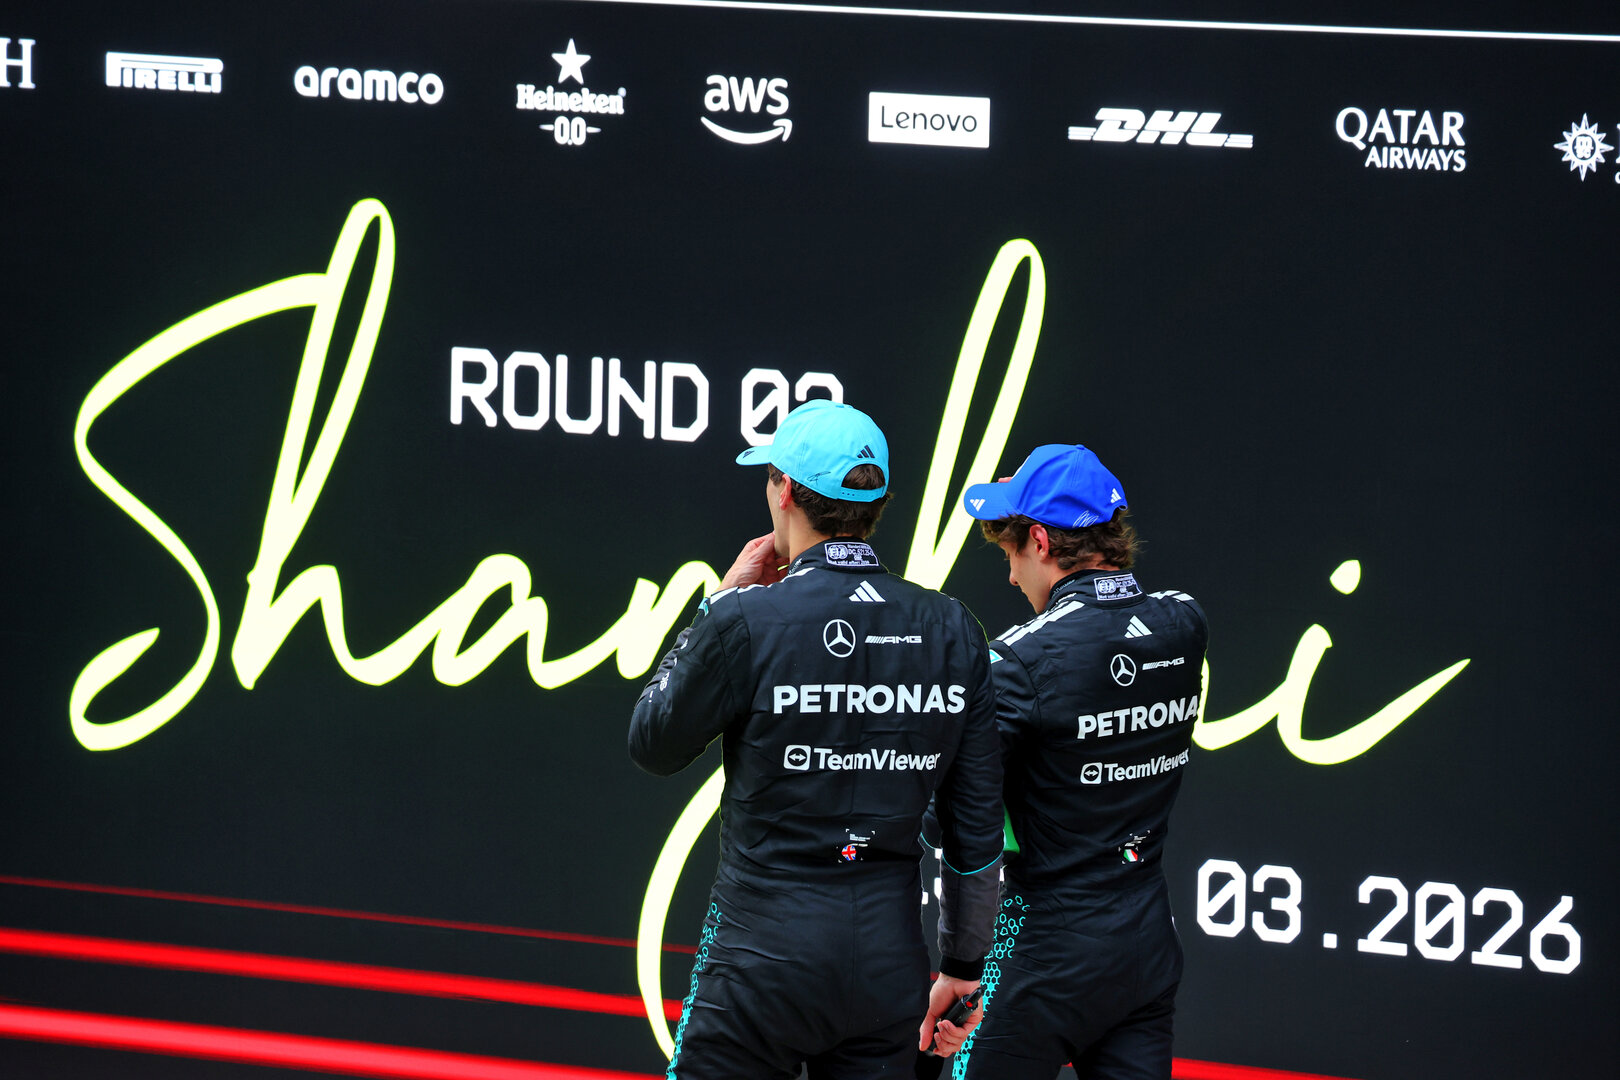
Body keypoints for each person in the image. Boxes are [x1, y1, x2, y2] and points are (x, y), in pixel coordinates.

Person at [629, 399, 1004, 1080]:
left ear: (785, 493)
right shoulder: (952, 627)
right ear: (876, 503)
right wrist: (964, 968)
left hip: (759, 959)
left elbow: (654, 740)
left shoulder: (744, 617)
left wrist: (716, 601)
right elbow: (976, 836)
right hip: (887, 964)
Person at [953, 444, 1209, 1080]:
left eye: (1012, 555)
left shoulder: (1016, 660)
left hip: (1045, 951)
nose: (1011, 578)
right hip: (1147, 943)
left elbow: (954, 817)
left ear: (1040, 541)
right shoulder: (1184, 621)